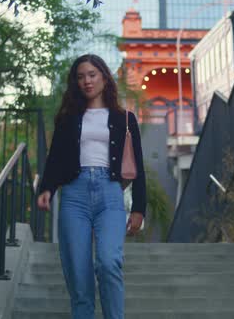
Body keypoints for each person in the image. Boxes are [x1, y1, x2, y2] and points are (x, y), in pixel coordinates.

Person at [37, 54, 146, 319]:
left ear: (104, 77)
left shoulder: (125, 118)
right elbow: (54, 158)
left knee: (109, 262)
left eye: (92, 74)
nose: (87, 81)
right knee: (79, 275)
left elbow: (138, 166)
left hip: (110, 195)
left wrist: (139, 209)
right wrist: (46, 188)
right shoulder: (68, 118)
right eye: (81, 76)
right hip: (74, 195)